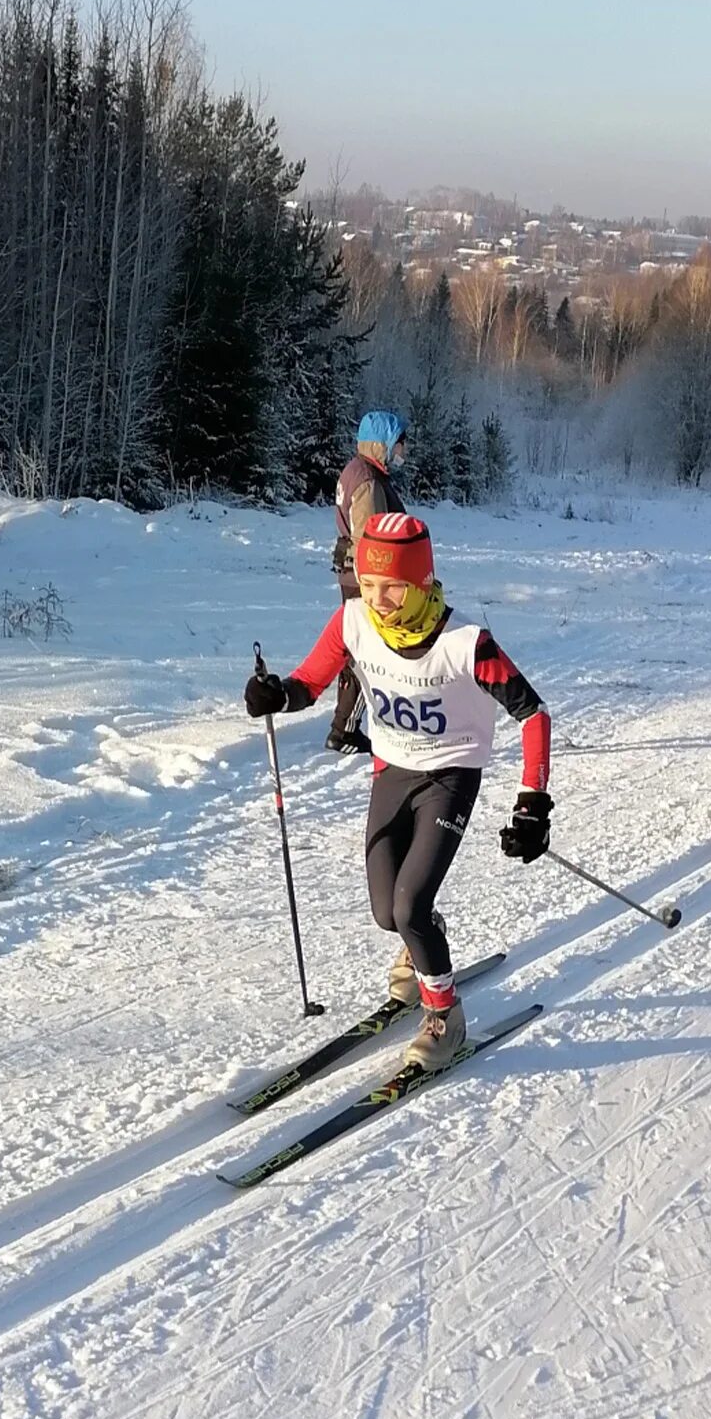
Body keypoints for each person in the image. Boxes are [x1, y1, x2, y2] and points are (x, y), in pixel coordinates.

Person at [245, 512, 552, 1071]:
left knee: (410, 904)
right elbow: (308, 683)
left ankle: (445, 1016)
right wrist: (274, 695)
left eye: (394, 587)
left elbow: (532, 714)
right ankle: (421, 945)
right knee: (389, 913)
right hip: (392, 771)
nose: (380, 600)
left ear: (423, 581)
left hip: (451, 775)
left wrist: (532, 801)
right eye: (369, 585)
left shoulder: (467, 643)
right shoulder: (352, 622)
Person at [327, 412, 409, 754]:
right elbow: (372, 538)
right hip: (368, 581)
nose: (403, 453)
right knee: (367, 652)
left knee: (361, 649)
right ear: (382, 445)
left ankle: (350, 723)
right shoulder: (369, 482)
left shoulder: (356, 470)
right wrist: (381, 586)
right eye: (399, 445)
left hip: (354, 576)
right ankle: (345, 728)